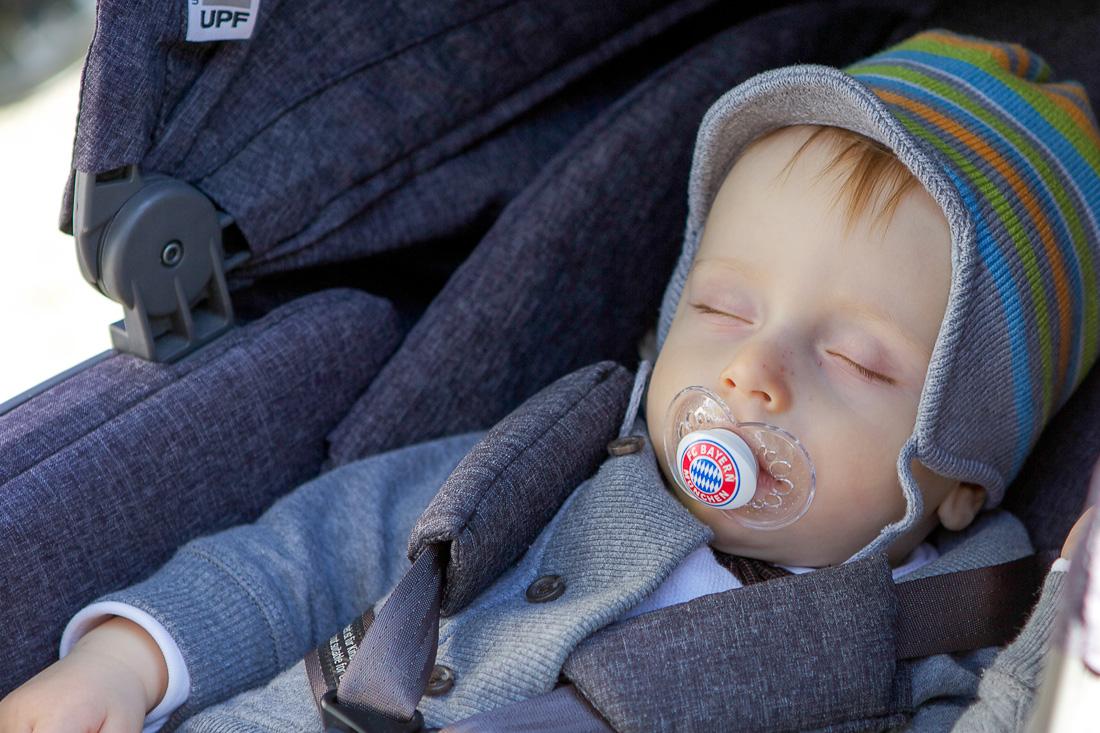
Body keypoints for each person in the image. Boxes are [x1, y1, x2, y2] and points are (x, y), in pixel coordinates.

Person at [3, 28, 1099, 732]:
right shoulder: (556, 463)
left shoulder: (933, 643)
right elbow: (315, 552)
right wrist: (131, 663)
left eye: (856, 360)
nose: (750, 373)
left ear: (963, 473)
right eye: (718, 309)